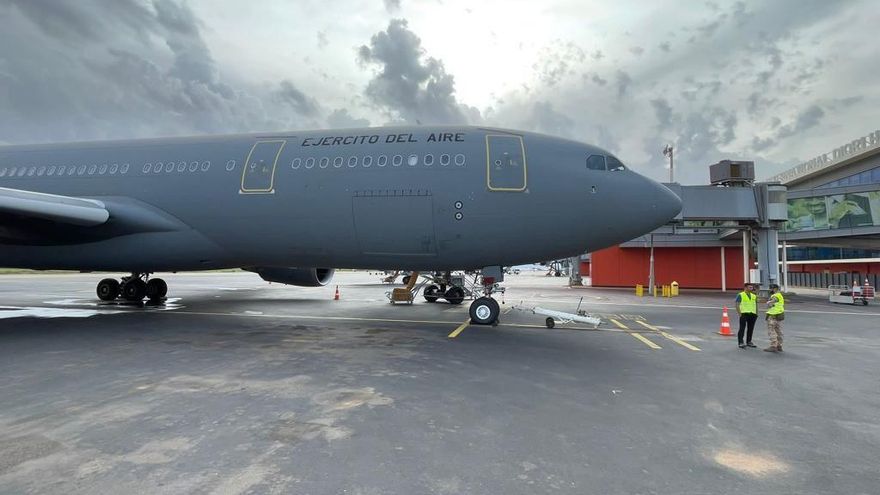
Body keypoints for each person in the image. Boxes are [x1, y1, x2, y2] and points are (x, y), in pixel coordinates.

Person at [735, 283, 758, 349]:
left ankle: (749, 341)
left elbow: (756, 305)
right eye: (750, 287)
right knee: (742, 328)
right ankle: (741, 342)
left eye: (752, 287)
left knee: (750, 329)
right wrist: (740, 314)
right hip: (744, 313)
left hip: (753, 314)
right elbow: (737, 304)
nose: (751, 289)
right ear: (745, 287)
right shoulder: (740, 295)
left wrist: (756, 313)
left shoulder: (754, 296)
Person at [765, 283, 785, 353]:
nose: (770, 290)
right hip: (779, 315)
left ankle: (773, 346)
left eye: (771, 288)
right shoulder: (780, 295)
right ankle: (779, 345)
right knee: (778, 331)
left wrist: (769, 302)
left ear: (775, 289)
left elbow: (774, 300)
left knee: (771, 330)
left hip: (773, 315)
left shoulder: (775, 295)